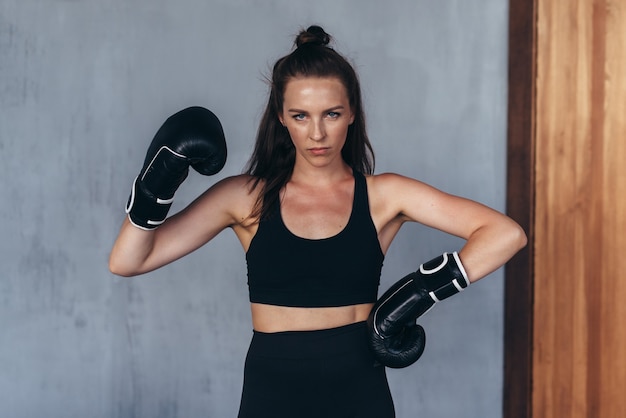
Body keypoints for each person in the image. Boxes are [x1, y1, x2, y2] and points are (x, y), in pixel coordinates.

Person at [109, 25, 527, 418]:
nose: (316, 135)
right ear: (280, 117)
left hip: (359, 388)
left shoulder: (384, 196)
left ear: (351, 114)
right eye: (300, 115)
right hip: (271, 391)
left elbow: (505, 234)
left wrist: (414, 296)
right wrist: (153, 187)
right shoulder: (245, 197)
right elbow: (128, 261)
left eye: (330, 114)